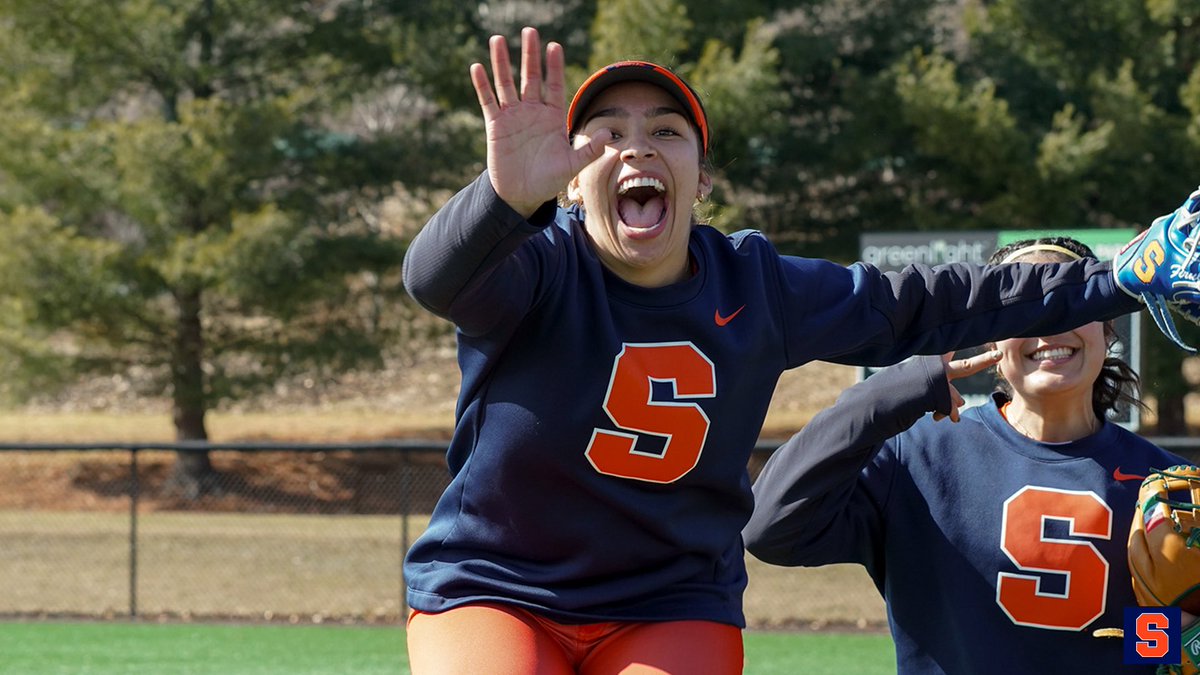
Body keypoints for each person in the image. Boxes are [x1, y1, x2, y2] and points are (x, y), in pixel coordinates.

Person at [402, 24, 1149, 673]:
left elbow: (926, 302)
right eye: (608, 133)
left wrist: (1124, 276)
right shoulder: (536, 263)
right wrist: (501, 199)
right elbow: (434, 280)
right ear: (570, 180)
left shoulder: (755, 285)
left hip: (666, 598)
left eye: (665, 131)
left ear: (701, 179)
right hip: (496, 584)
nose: (636, 147)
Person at [743, 237, 1191, 674]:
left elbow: (1148, 651)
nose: (1051, 326)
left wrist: (1183, 637)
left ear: (1108, 328)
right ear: (990, 341)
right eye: (1030, 310)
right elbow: (770, 527)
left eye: (1071, 307)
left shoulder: (1170, 487)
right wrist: (889, 394)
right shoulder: (915, 456)